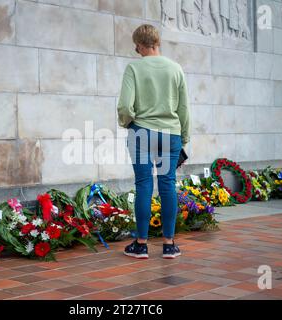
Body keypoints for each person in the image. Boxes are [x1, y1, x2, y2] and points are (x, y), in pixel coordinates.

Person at [117, 24, 190, 259]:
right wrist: (184, 137)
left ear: (140, 44)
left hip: (142, 134)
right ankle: (169, 244)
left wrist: (127, 123)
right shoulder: (176, 68)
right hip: (171, 135)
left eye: (135, 45)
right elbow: (183, 108)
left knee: (144, 186)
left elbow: (125, 106)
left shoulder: (134, 68)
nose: (135, 50)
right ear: (157, 42)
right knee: (168, 185)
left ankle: (141, 245)